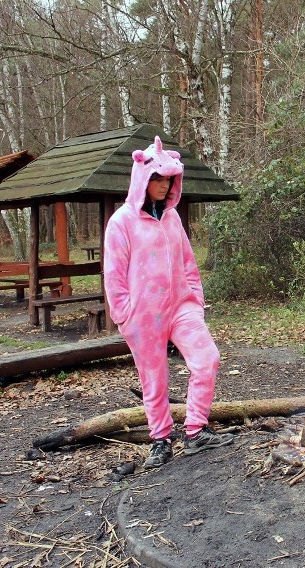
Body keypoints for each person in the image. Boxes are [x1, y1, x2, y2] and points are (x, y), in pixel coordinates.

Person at [103, 135, 233, 468]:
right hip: (143, 315)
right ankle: (160, 440)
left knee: (207, 359)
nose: (164, 185)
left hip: (181, 306)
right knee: (154, 379)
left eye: (169, 179)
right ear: (142, 179)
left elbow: (188, 261)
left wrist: (196, 299)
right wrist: (124, 314)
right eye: (157, 178)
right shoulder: (121, 223)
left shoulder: (172, 218)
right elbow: (114, 275)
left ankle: (195, 431)